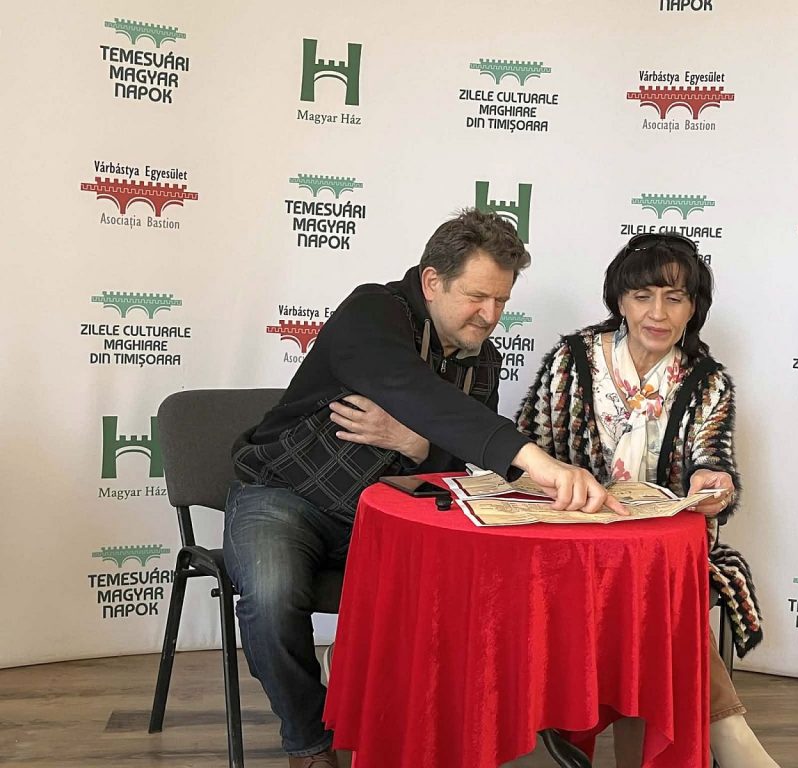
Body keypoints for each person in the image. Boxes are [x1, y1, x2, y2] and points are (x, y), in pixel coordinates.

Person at [225, 209, 624, 768]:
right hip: (285, 497)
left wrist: (415, 445)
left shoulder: (482, 359)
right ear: (432, 281)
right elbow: (412, 388)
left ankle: (497, 726)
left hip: (384, 514)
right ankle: (309, 740)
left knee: (491, 582)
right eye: (477, 296)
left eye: (502, 300)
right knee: (270, 597)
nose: (490, 315)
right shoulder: (372, 311)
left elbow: (453, 465)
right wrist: (535, 461)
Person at [516, 232, 778, 768]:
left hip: (657, 554)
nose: (657, 313)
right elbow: (526, 449)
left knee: (653, 586)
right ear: (620, 301)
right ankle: (730, 736)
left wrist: (713, 482)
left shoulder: (707, 382)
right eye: (642, 297)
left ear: (693, 308)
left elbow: (712, 458)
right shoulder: (572, 360)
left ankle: (715, 738)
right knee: (651, 601)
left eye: (674, 298)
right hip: (570, 545)